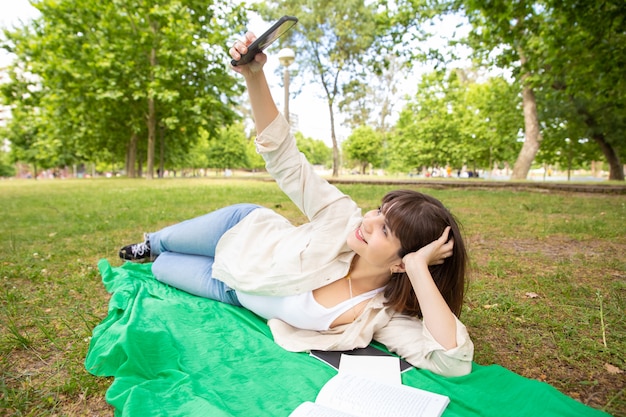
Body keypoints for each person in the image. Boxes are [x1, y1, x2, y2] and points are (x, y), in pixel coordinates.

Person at [118, 32, 474, 377]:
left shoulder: (380, 314)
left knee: (163, 268)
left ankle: (158, 253)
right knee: (161, 245)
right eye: (379, 211)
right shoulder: (342, 217)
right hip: (241, 232)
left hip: (228, 288)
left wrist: (417, 268)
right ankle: (152, 241)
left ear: (400, 263)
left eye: (385, 229)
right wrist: (254, 75)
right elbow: (285, 159)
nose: (368, 221)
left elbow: (452, 362)